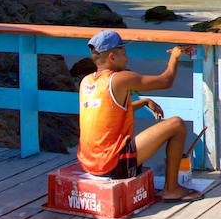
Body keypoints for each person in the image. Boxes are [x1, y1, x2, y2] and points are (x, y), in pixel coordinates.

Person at [77, 30, 203, 203]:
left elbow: (108, 111)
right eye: (124, 53)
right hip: (113, 164)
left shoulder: (87, 82)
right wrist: (174, 57)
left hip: (90, 163)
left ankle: (171, 188)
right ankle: (171, 189)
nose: (127, 58)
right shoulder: (119, 79)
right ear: (112, 57)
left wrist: (144, 102)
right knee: (177, 124)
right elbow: (166, 81)